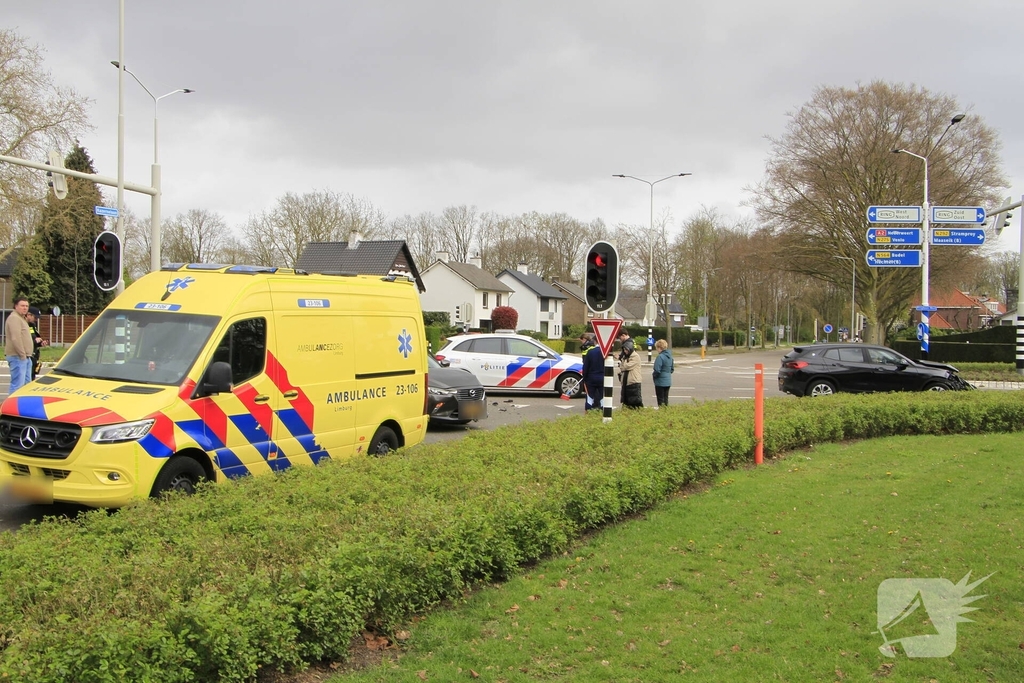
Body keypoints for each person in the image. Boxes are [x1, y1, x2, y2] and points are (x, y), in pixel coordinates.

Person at [5, 298, 34, 394]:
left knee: (26, 385)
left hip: (25, 357)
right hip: (17, 356)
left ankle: (22, 407)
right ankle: (10, 408)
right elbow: (15, 338)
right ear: (16, 306)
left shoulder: (21, 318)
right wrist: (22, 355)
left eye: (26, 306)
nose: (25, 308)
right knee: (17, 385)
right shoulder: (14, 318)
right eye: (22, 306)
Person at [580, 332, 605, 412]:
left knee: (590, 397)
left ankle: (588, 411)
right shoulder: (605, 353)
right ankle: (602, 410)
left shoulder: (590, 352)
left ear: (595, 341)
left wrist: (584, 378)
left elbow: (586, 367)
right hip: (602, 378)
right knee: (602, 396)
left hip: (591, 378)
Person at [618, 337, 643, 409]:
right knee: (626, 401)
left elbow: (626, 366)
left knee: (635, 401)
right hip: (626, 382)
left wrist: (623, 361)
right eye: (624, 350)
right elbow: (622, 367)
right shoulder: (626, 357)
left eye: (626, 349)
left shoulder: (635, 356)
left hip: (633, 382)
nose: (625, 351)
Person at [26, 306, 48, 380]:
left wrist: (40, 343)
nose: (36, 320)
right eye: (35, 318)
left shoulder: (32, 326)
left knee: (32, 377)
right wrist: (35, 340)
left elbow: (34, 337)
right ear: (29, 315)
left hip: (34, 355)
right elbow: (25, 338)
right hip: (28, 355)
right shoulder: (24, 325)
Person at [652, 338, 674, 407]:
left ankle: (661, 413)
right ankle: (666, 413)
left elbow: (657, 369)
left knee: (660, 400)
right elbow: (672, 369)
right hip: (668, 381)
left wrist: (654, 376)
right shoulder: (670, 357)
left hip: (660, 382)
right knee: (665, 399)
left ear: (659, 347)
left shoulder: (660, 357)